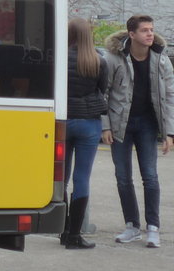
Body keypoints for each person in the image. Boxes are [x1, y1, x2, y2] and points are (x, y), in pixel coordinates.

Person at [103, 14, 174, 248]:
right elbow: (103, 93)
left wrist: (169, 133)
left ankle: (153, 227)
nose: (150, 34)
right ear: (131, 34)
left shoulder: (162, 60)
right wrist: (105, 126)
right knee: (123, 178)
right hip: (120, 125)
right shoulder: (113, 59)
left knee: (150, 177)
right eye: (144, 30)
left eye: (152, 29)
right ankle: (131, 226)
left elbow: (170, 97)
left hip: (147, 124)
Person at [62, 18, 108, 248]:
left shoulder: (59, 60)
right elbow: (102, 89)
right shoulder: (98, 62)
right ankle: (74, 236)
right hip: (89, 124)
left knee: (61, 176)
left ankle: (61, 228)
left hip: (62, 122)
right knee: (82, 178)